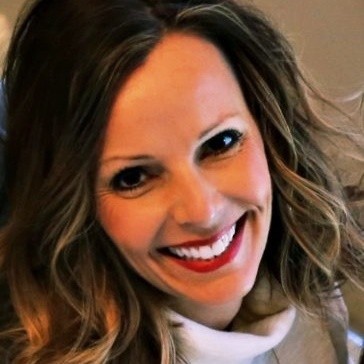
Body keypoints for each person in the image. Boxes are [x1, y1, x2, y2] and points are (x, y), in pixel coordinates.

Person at [0, 0, 363, 362]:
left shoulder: (306, 290)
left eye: (220, 143)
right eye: (134, 177)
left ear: (269, 130)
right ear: (72, 205)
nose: (202, 212)